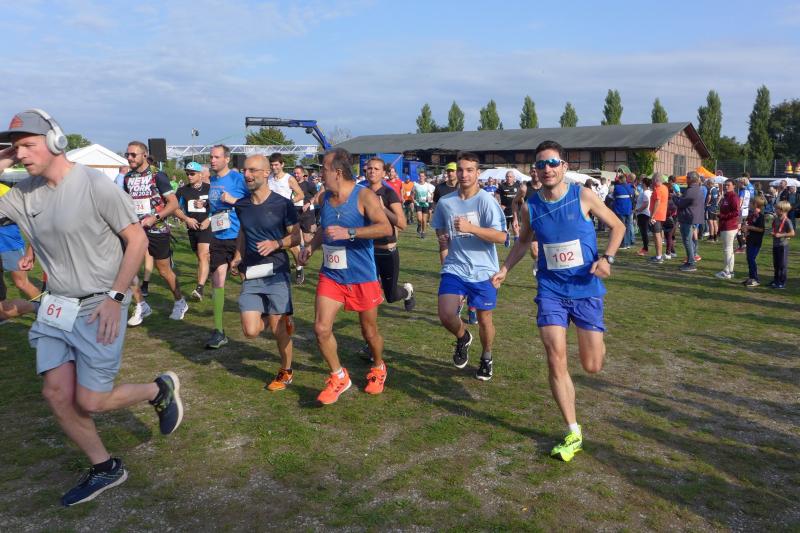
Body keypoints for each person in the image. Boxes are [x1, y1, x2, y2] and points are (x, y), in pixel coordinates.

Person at [0, 109, 182, 506]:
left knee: (91, 401)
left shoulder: (94, 184)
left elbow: (137, 240)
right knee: (55, 393)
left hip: (99, 304)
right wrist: (2, 162)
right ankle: (105, 467)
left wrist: (117, 298)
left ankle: (158, 389)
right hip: (56, 306)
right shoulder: (22, 194)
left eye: (28, 145)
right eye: (15, 148)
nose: (21, 154)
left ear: (56, 142)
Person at [492, 140, 623, 462]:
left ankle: (598, 345)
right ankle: (572, 430)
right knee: (555, 357)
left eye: (553, 163)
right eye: (541, 164)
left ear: (564, 166)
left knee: (592, 365)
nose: (547, 169)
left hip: (585, 288)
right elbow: (523, 242)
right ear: (534, 170)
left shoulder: (583, 196)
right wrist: (505, 269)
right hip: (550, 290)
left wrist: (607, 258)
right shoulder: (531, 206)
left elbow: (617, 226)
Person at [298, 148, 392, 404]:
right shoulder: (325, 197)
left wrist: (350, 232)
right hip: (332, 275)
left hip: (362, 276)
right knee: (321, 328)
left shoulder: (364, 195)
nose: (321, 174)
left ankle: (378, 367)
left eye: (324, 170)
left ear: (337, 172)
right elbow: (324, 229)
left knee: (369, 332)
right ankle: (338, 376)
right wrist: (311, 247)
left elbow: (385, 227)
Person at [431, 152, 507, 381]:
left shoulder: (486, 201)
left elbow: (502, 237)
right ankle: (463, 337)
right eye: (461, 170)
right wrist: (443, 241)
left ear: (477, 173)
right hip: (455, 267)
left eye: (469, 170)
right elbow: (440, 228)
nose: (464, 174)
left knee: (484, 320)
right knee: (446, 314)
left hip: (484, 271)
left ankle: (487, 356)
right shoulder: (446, 202)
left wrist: (471, 228)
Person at [231, 155, 300, 390]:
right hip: (252, 272)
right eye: (245, 170)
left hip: (277, 271)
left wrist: (276, 243)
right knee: (250, 331)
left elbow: (296, 236)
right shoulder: (242, 205)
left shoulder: (282, 204)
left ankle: (286, 371)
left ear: (265, 173)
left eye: (252, 170)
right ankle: (276, 316)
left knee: (279, 330)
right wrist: (238, 256)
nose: (247, 175)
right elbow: (243, 232)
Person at [123, 141, 188, 326]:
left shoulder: (157, 175)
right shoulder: (127, 178)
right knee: (127, 268)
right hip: (136, 230)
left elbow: (173, 203)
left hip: (157, 228)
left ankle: (180, 301)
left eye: (133, 155)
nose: (129, 158)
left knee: (164, 270)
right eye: (127, 155)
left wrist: (155, 217)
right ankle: (141, 305)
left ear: (144, 155)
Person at [206, 144, 249, 348]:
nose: (212, 160)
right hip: (218, 236)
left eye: (216, 157)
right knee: (217, 280)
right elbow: (216, 206)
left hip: (238, 236)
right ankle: (219, 331)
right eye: (211, 157)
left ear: (227, 159)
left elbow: (252, 203)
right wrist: (206, 207)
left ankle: (258, 314)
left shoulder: (238, 179)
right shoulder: (213, 180)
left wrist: (234, 200)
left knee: (246, 278)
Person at [364, 157, 416, 311]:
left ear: (383, 173)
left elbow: (402, 224)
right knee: (367, 289)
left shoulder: (389, 193)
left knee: (391, 296)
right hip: (367, 250)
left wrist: (383, 209)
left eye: (376, 169)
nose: (372, 171)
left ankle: (407, 292)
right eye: (369, 168)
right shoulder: (361, 192)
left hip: (387, 251)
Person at [174, 161, 211, 300]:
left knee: (203, 255)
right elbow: (174, 208)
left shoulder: (210, 188)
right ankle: (210, 272)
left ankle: (199, 289)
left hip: (207, 227)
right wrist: (186, 219)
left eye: (192, 173)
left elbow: (218, 207)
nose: (189, 176)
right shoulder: (182, 191)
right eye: (187, 173)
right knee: (201, 257)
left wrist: (209, 219)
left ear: (200, 174)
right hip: (192, 229)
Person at [267, 153, 306, 284]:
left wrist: (288, 203)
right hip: (271, 216)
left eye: (276, 165)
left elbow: (301, 195)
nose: (274, 167)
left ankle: (299, 267)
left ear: (282, 164)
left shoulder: (289, 178)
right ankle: (273, 270)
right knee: (271, 243)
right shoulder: (269, 178)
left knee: (292, 245)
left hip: (285, 216)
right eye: (272, 165)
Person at [293, 165, 319, 284]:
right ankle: (299, 265)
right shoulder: (291, 184)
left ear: (303, 174)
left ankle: (304, 253)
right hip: (294, 214)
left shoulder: (309, 185)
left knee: (307, 239)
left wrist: (308, 203)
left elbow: (316, 195)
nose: (296, 175)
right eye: (294, 173)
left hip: (307, 214)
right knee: (296, 240)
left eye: (298, 173)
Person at [676, 172, 704, 271]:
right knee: (689, 241)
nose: (686, 179)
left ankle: (691, 263)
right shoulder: (697, 189)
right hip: (692, 218)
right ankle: (690, 261)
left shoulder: (691, 190)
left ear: (691, 179)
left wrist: (674, 197)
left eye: (687, 178)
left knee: (687, 241)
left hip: (688, 218)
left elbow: (681, 203)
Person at [717, 179, 740, 279]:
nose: (726, 187)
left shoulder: (733, 197)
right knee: (729, 249)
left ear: (734, 186)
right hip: (725, 225)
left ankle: (727, 272)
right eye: (725, 185)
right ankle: (730, 271)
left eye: (728, 185)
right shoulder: (726, 196)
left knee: (728, 249)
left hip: (730, 226)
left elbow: (736, 212)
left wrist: (722, 216)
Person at [769, 201, 795, 289]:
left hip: (783, 245)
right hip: (775, 244)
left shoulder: (787, 221)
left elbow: (792, 233)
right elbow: (775, 229)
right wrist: (773, 233)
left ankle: (782, 282)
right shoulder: (776, 219)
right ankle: (776, 280)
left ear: (782, 210)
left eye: (777, 209)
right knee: (776, 264)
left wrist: (781, 235)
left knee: (782, 265)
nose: (775, 210)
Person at [742, 196, 766, 287]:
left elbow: (761, 229)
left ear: (755, 204)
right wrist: (745, 229)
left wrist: (749, 227)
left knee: (751, 258)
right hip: (750, 240)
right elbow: (748, 225)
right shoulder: (751, 215)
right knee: (749, 259)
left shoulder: (760, 216)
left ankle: (756, 279)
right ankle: (751, 277)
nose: (749, 204)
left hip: (756, 241)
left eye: (750, 203)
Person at [610, 172, 635, 249]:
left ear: (620, 180)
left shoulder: (617, 187)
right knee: (628, 227)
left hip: (620, 210)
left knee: (622, 227)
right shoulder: (630, 187)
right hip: (629, 210)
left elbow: (613, 196)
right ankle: (628, 243)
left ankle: (624, 244)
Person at [648, 175, 668, 263]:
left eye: (652, 180)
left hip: (657, 215)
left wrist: (652, 215)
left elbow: (657, 202)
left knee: (656, 235)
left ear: (655, 180)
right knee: (658, 234)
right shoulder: (664, 187)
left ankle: (659, 257)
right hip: (661, 214)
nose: (651, 182)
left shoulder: (658, 189)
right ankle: (658, 255)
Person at [497, 171, 520, 244]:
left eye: (510, 177)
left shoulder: (517, 186)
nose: (508, 178)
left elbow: (522, 196)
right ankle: (507, 238)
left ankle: (517, 243)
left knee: (515, 227)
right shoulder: (502, 186)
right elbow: (496, 195)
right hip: (505, 209)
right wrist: (499, 204)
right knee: (505, 228)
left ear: (513, 178)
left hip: (515, 210)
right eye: (507, 176)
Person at [412, 171, 434, 238]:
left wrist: (430, 198)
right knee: (419, 219)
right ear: (418, 177)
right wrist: (413, 200)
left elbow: (432, 194)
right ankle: (419, 225)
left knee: (424, 220)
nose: (421, 177)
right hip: (418, 203)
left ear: (425, 177)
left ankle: (423, 232)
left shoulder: (428, 185)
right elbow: (412, 193)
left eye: (422, 176)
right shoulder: (416, 185)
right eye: (420, 176)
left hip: (425, 204)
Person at [634, 177, 652, 256]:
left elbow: (646, 203)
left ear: (644, 183)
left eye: (642, 182)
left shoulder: (645, 193)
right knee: (644, 232)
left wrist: (638, 210)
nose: (640, 183)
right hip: (644, 214)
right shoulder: (647, 192)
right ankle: (645, 248)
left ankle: (645, 249)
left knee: (644, 232)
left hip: (643, 214)